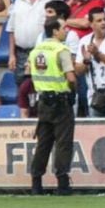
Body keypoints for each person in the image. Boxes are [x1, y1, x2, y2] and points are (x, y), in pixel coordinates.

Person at [27, 17, 77, 196]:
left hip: (43, 101)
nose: (67, 30)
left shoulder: (35, 51)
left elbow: (29, 73)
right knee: (63, 143)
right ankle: (62, 183)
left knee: (43, 143)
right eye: (64, 28)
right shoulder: (61, 50)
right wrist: (73, 91)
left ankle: (36, 183)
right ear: (55, 31)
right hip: (60, 101)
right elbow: (70, 77)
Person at [6, 0, 61, 84]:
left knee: (44, 89)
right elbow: (11, 29)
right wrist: (11, 55)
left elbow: (61, 27)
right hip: (21, 54)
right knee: (23, 91)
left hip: (45, 53)